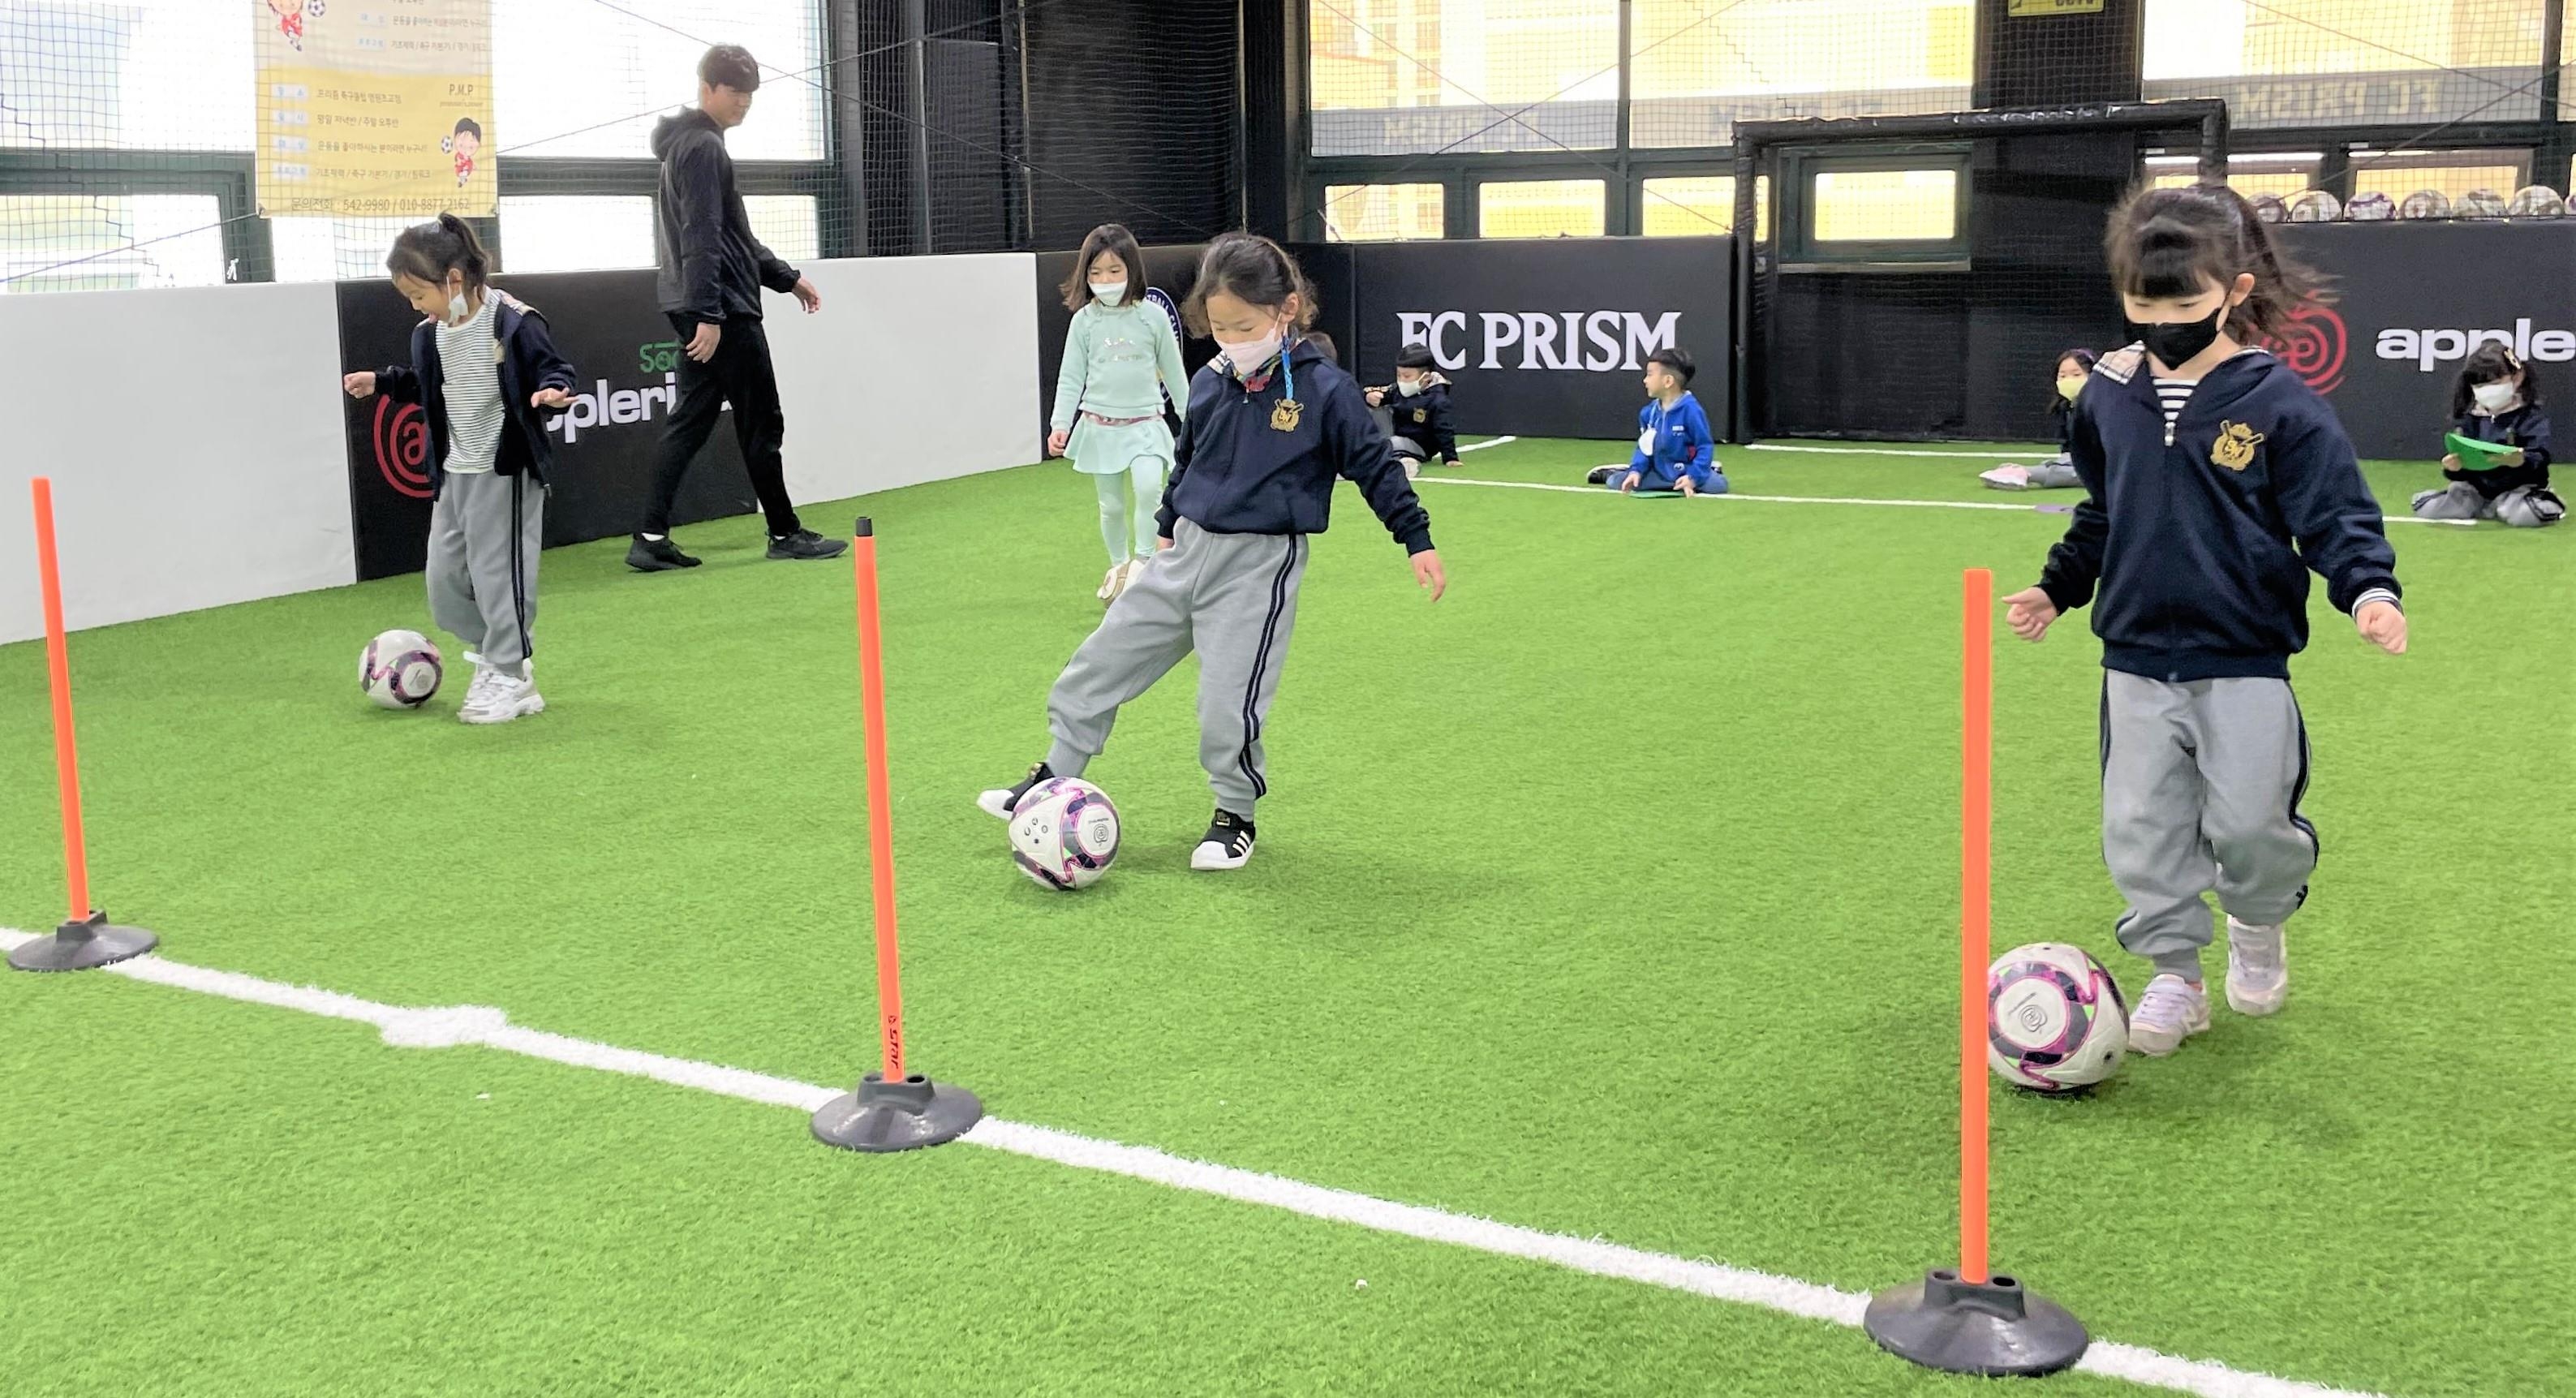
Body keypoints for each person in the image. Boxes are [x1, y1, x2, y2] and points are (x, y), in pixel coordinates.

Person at [2002, 183, 2407, 1058]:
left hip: (2245, 656)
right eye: (2141, 304)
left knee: (2253, 826)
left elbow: (2334, 516)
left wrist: (2369, 590)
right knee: (2141, 827)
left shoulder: (2280, 401)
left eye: (2182, 303)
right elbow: (2103, 510)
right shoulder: (2106, 393)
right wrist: (2056, 587)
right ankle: (2175, 975)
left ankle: (2258, 922)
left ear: (2231, 289)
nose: (2160, 320)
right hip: (2136, 655)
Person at [979, 234, 1446, 872]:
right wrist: (1168, 519)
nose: (1230, 339)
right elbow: (1188, 456)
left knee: (1227, 704)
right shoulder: (1211, 380)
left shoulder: (1325, 391)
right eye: (1219, 327)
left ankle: (1234, 815)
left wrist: (1414, 539)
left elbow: (1375, 466)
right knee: (1097, 663)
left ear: (1285, 310)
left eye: (1243, 325)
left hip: (1258, 566)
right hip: (1183, 553)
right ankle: (1054, 773)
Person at [343, 214, 577, 725]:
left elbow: (554, 368)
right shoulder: (428, 335)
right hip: (452, 474)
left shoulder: (513, 322)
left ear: (453, 278)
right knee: (444, 585)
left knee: (500, 579)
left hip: (504, 472)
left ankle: (512, 676)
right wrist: (381, 383)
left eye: (418, 293)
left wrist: (553, 392)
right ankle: (494, 656)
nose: (414, 306)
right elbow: (429, 388)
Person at [630, 44, 845, 571]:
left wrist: (785, 278)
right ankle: (785, 532)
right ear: (707, 88)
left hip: (701, 302)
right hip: (720, 309)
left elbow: (730, 236)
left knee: (691, 420)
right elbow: (700, 235)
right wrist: (710, 313)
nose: (744, 101)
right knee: (761, 420)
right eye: (734, 90)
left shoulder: (691, 145)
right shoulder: (703, 147)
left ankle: (649, 536)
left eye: (750, 92)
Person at [1048, 222, 1190, 604]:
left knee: (1149, 490)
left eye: (1114, 271)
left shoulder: (1153, 317)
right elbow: (1070, 376)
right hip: (1099, 427)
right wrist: (1060, 423)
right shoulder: (1084, 322)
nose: (1105, 279)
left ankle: (1144, 563)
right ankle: (1118, 565)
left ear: (1132, 271)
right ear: (1085, 275)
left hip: (1146, 423)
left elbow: (1175, 374)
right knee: (1110, 505)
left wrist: (1194, 419)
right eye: (1095, 273)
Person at [2413, 343, 2565, 527]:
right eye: (2479, 385)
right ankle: (2481, 506)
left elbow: (2540, 456)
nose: (2486, 390)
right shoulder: (2469, 418)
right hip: (2474, 490)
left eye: (2494, 383)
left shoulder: (2531, 418)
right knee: (2430, 509)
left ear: (2517, 377)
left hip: (2519, 489)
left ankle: (2543, 503)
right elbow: (2462, 462)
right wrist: (2454, 467)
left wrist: (2521, 460)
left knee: (2524, 516)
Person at [1597, 348, 1722, 494]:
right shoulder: (1648, 413)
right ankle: (1628, 471)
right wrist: (1636, 471)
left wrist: (1693, 477)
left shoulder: (1692, 411)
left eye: (1650, 375)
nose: (1645, 380)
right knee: (1615, 481)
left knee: (1717, 486)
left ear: (1668, 381)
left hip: (1687, 470)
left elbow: (1704, 446)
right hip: (1659, 472)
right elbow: (1644, 448)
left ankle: (1706, 471)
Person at [1980, 348, 2096, 489]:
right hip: (2082, 461)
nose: (2068, 380)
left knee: (2086, 471)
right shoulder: (2066, 409)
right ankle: (2021, 471)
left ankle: (2026, 473)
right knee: (2065, 463)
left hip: (2108, 465)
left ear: (2092, 376)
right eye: (2062, 376)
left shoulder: (2103, 407)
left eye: (2076, 374)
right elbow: (2070, 451)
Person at [1365, 342, 1460, 479]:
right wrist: (1369, 396)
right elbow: (1378, 392)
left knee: (1391, 445)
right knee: (1373, 410)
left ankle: (1404, 465)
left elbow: (1444, 429)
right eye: (1399, 375)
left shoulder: (1437, 400)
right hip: (1393, 437)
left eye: (1407, 376)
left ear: (1425, 378)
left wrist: (1450, 457)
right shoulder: (1396, 390)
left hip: (1419, 446)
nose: (1402, 380)